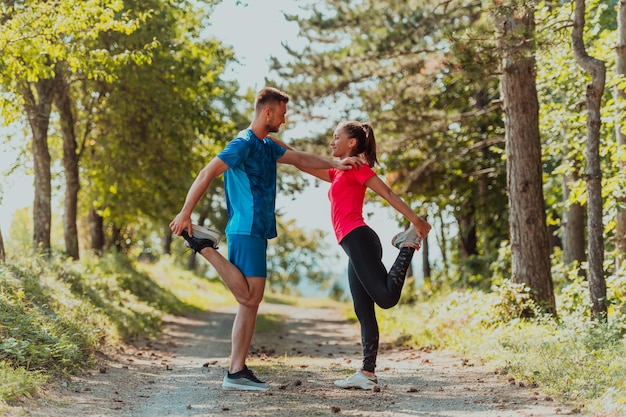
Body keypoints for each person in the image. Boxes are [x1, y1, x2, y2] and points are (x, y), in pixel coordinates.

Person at [169, 87, 361, 392]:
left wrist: (335, 165)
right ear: (267, 112)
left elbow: (299, 157)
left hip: (257, 229)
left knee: (251, 302)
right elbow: (207, 172)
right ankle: (203, 247)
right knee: (249, 297)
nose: (284, 120)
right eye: (282, 114)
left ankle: (237, 371)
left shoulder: (267, 145)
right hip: (245, 227)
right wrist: (185, 213)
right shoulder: (243, 143)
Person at [289, 120, 431, 390]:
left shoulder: (357, 167)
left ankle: (407, 243)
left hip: (359, 239)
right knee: (363, 310)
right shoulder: (338, 171)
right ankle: (367, 373)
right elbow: (298, 161)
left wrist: (416, 222)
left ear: (352, 142)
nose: (332, 142)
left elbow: (387, 192)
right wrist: (268, 143)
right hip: (353, 245)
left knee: (386, 298)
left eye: (336, 137)